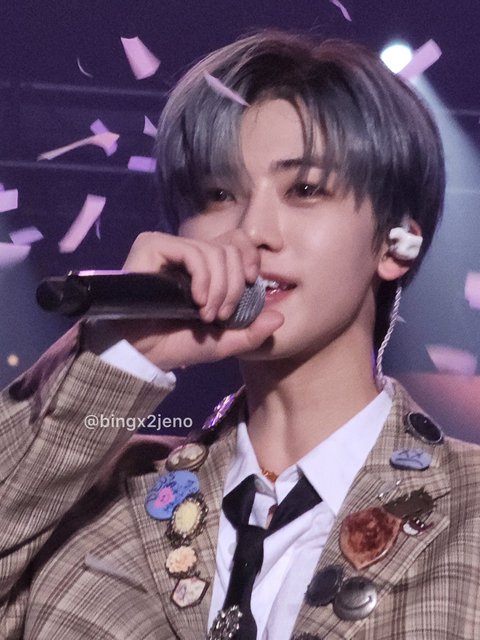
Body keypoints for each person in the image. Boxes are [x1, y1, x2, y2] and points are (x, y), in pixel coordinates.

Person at [1, 30, 479, 640]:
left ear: (397, 244)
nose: (252, 230)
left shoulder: (469, 510)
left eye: (305, 189)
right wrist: (123, 356)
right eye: (218, 194)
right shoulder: (92, 502)